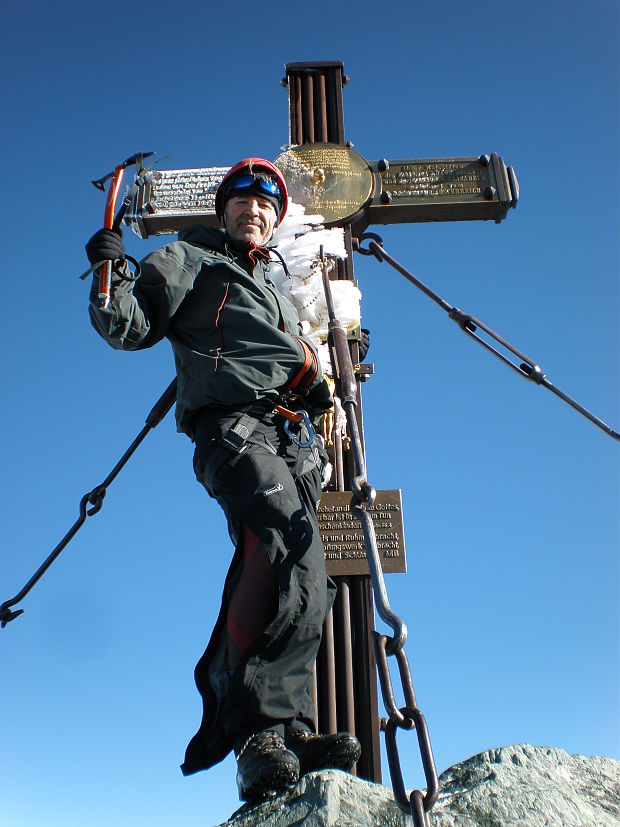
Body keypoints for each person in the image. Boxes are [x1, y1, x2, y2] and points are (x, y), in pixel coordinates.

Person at [85, 158, 361, 803]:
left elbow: (290, 357)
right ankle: (253, 733)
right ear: (223, 209)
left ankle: (290, 726)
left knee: (308, 574)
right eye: (242, 200)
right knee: (282, 552)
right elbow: (128, 327)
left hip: (290, 438)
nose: (254, 210)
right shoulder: (188, 259)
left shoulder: (271, 285)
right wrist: (110, 270)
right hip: (235, 431)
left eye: (267, 204)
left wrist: (323, 386)